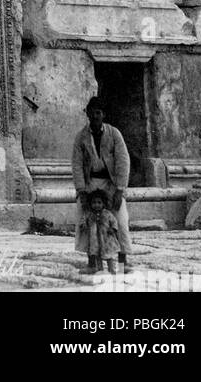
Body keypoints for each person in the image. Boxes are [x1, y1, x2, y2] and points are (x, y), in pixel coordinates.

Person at [71, 95, 132, 273]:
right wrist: (81, 190)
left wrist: (120, 189)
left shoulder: (114, 134)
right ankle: (91, 264)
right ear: (88, 114)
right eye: (92, 113)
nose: (95, 116)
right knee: (86, 222)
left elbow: (123, 161)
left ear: (103, 114)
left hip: (111, 183)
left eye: (99, 112)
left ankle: (122, 263)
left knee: (120, 221)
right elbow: (76, 164)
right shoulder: (81, 137)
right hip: (90, 183)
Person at [83, 188, 121, 275]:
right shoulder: (89, 214)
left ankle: (112, 270)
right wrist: (84, 225)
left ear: (103, 203)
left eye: (99, 203)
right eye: (94, 203)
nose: (96, 205)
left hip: (106, 238)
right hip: (95, 239)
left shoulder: (107, 213)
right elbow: (83, 220)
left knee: (109, 255)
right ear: (90, 204)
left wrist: (113, 228)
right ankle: (100, 270)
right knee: (97, 255)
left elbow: (114, 221)